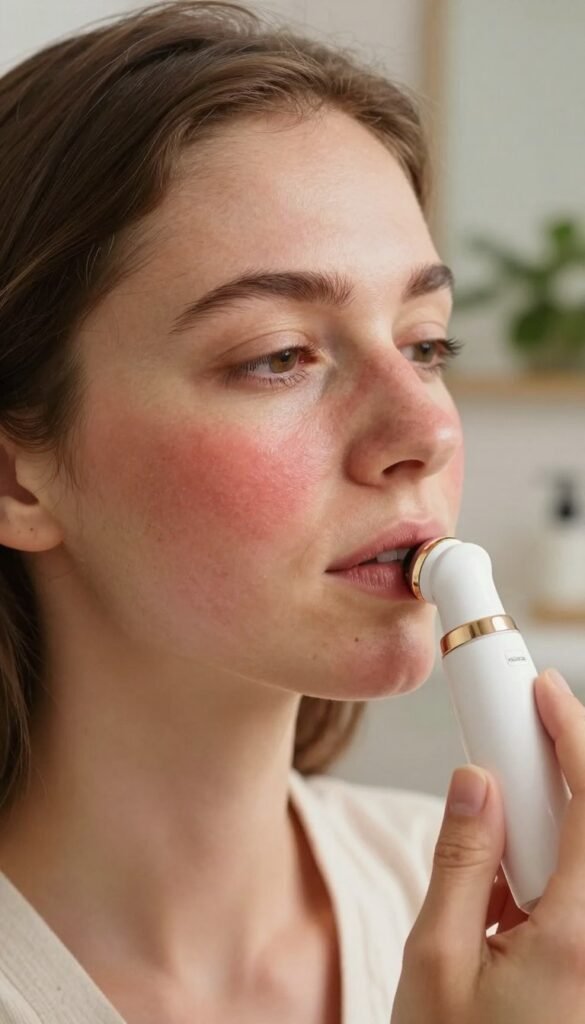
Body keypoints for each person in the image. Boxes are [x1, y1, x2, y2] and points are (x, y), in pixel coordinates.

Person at [0, 2, 583, 1022]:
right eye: (279, 356)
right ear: (18, 478)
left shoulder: (519, 935)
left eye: (425, 344)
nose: (426, 428)